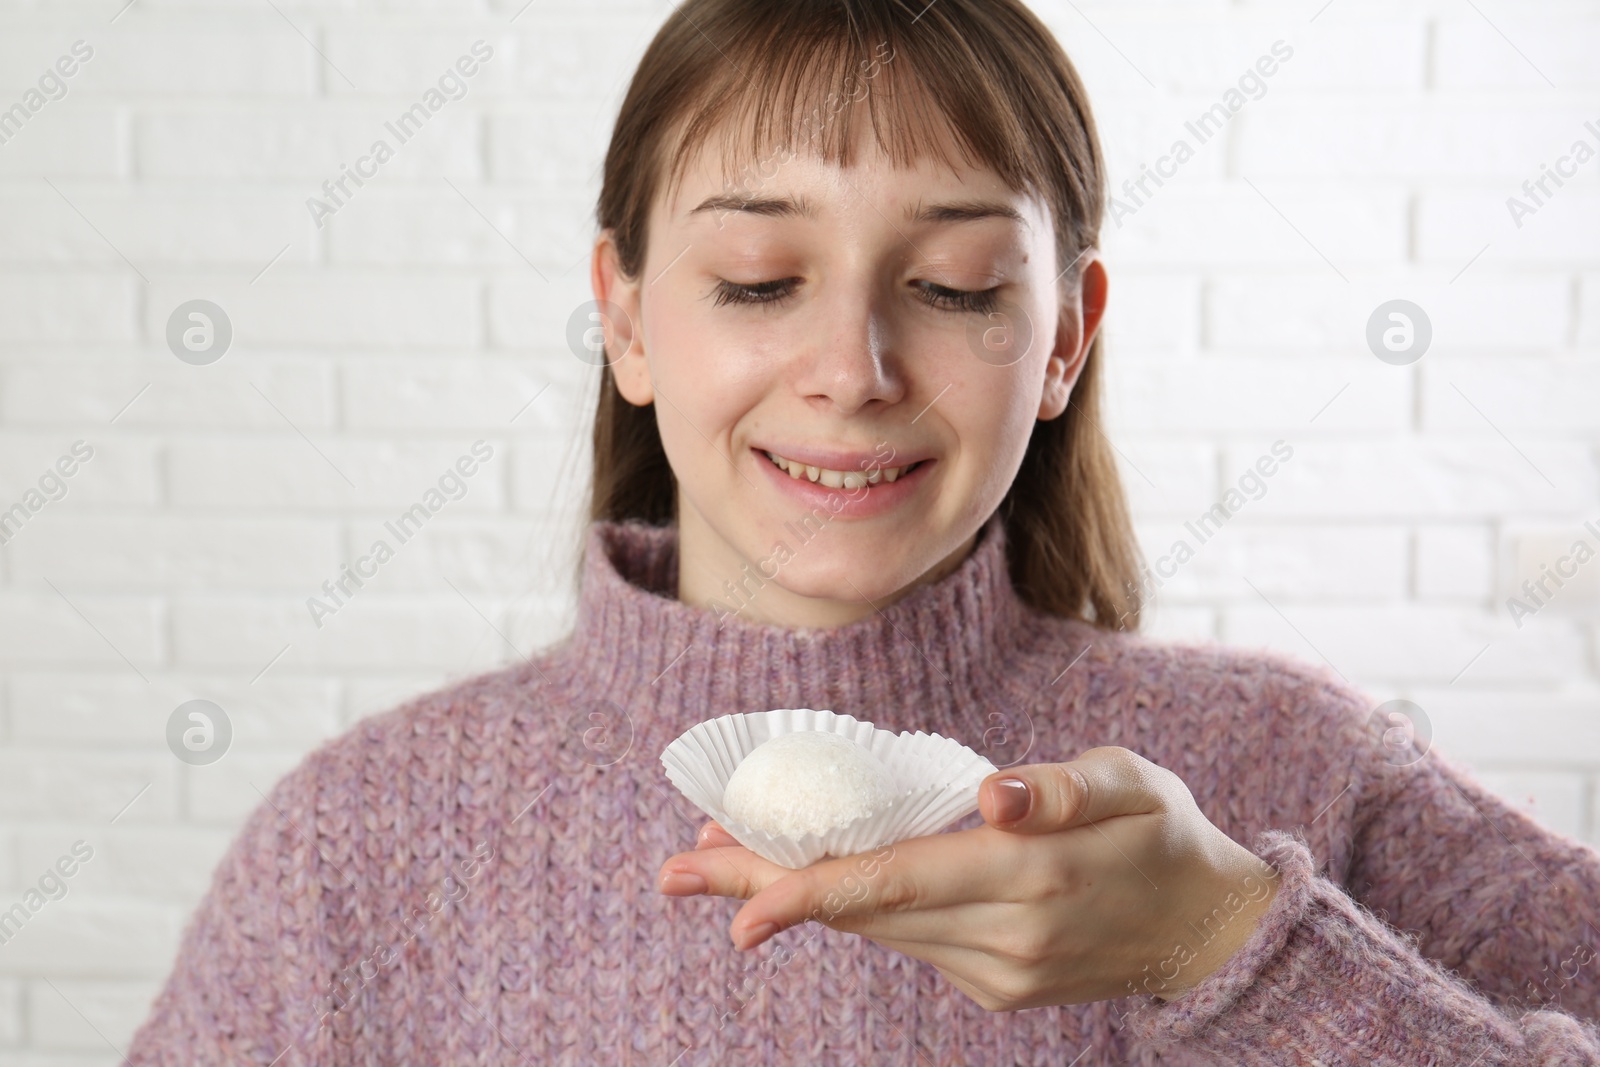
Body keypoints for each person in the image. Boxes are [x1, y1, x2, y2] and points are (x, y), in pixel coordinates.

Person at [126, 0, 1600, 1062]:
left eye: (955, 287)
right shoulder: (359, 843)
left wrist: (1222, 951)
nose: (854, 371)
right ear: (628, 318)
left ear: (1067, 338)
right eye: (761, 279)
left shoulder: (1297, 775)